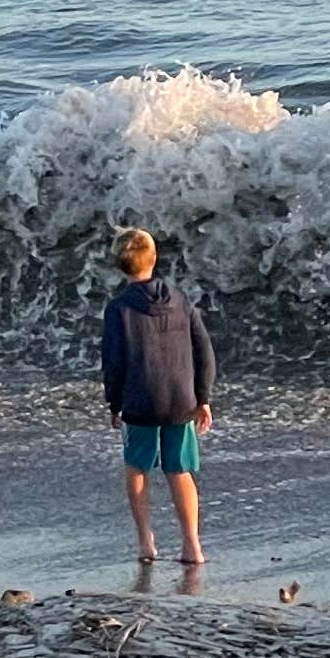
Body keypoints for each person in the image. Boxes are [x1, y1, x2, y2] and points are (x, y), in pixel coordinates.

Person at [100, 227, 217, 573]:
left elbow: (114, 361)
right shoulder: (180, 299)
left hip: (140, 400)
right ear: (155, 259)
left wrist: (114, 403)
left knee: (137, 468)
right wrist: (204, 396)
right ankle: (192, 545)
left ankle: (145, 540)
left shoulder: (118, 308)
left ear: (120, 265)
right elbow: (203, 350)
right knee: (179, 470)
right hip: (181, 398)